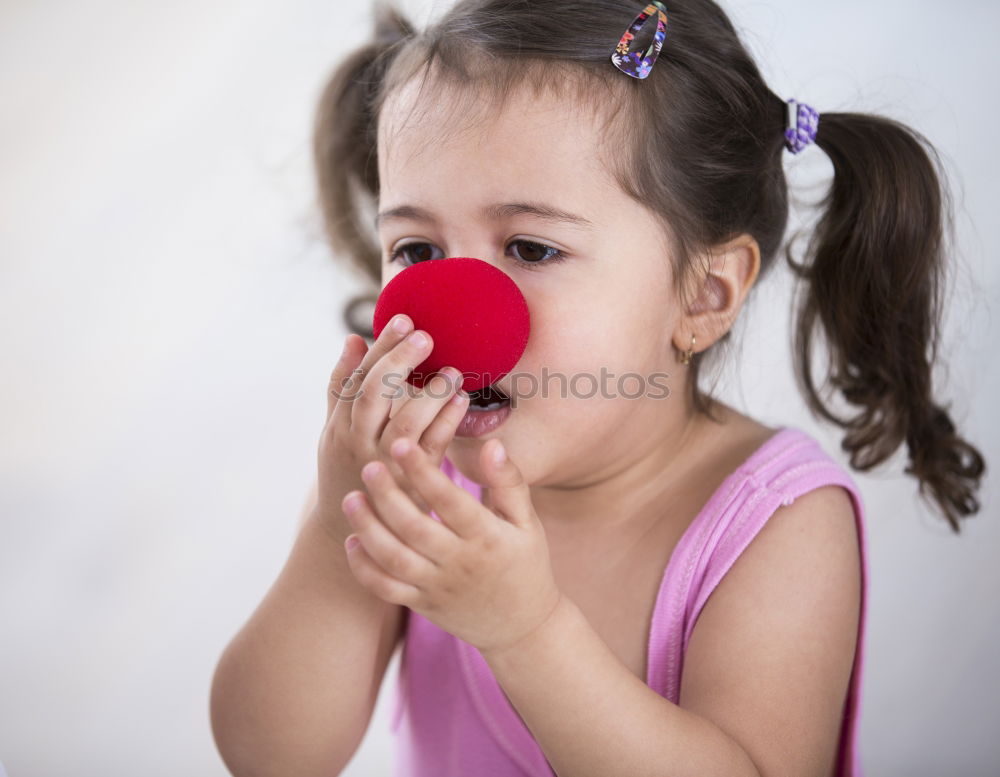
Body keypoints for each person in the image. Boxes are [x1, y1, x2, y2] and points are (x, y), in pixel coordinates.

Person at [210, 1, 987, 775]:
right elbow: (272, 756)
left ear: (702, 297)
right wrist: (332, 536)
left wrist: (527, 632)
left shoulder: (776, 522)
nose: (456, 310)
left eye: (530, 247)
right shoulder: (411, 480)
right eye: (417, 249)